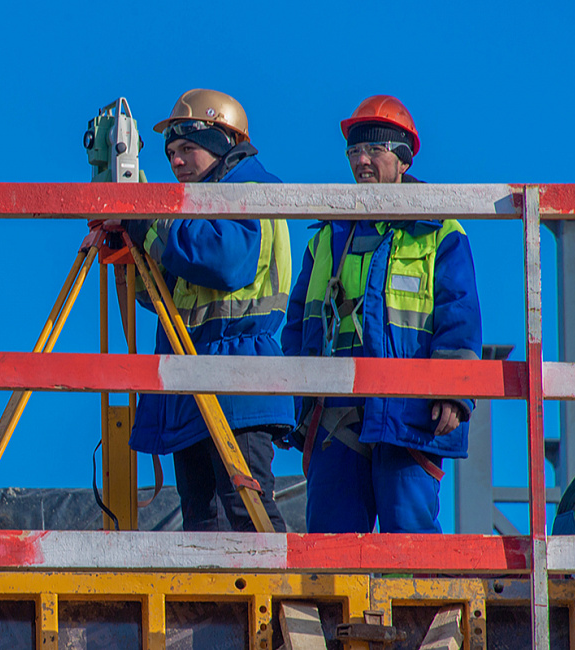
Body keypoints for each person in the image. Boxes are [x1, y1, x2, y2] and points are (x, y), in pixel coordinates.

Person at [282, 95, 481, 533]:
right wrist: (303, 403)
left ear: (404, 159)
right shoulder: (328, 237)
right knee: (330, 544)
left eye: (374, 149)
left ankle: (419, 606)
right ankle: (334, 607)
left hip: (409, 409)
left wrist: (453, 390)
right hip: (336, 411)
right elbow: (297, 326)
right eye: (354, 150)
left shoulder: (439, 232)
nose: (362, 160)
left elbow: (459, 316)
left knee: (407, 532)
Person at [120, 89, 293, 532]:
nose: (176, 163)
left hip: (238, 372)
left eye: (187, 150)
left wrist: (153, 225)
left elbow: (223, 261)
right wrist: (137, 246)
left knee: (245, 508)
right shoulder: (199, 206)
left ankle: (288, 597)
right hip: (192, 374)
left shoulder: (251, 193)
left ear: (222, 143)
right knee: (202, 520)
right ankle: (217, 606)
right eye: (170, 153)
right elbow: (164, 291)